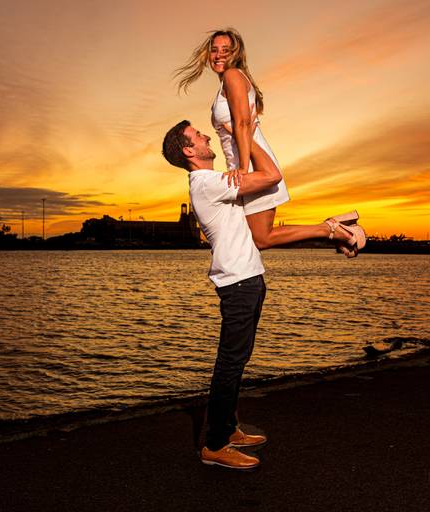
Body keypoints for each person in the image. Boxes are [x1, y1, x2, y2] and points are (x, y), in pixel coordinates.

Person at [162, 120, 361, 470]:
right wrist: (248, 132)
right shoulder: (206, 183)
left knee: (237, 361)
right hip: (237, 283)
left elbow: (262, 231)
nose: (206, 136)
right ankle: (215, 445)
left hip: (248, 278)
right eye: (198, 136)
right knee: (229, 363)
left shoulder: (216, 182)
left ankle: (228, 428)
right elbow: (271, 176)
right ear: (188, 151)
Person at [176, 28, 365, 256]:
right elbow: (241, 124)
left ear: (235, 54)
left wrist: (243, 169)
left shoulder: (232, 75)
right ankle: (333, 229)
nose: (218, 56)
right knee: (259, 237)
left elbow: (243, 124)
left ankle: (332, 229)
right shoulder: (230, 81)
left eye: (225, 51)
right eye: (214, 50)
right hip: (247, 159)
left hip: (253, 162)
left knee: (261, 238)